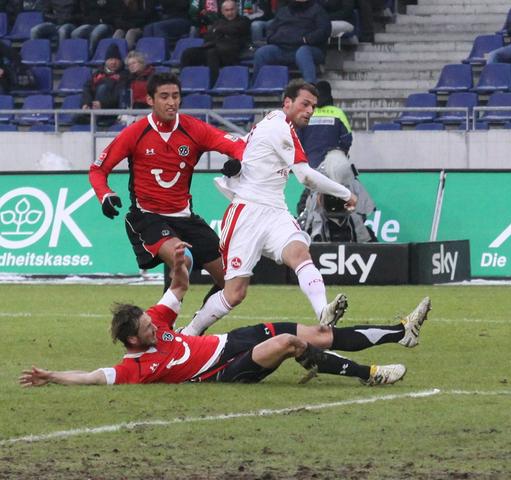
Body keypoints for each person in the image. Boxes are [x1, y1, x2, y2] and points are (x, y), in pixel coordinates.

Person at [18, 242, 427, 388]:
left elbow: (178, 288)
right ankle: (370, 374)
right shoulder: (133, 370)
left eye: (149, 319)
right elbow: (92, 377)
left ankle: (400, 333)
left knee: (319, 334)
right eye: (146, 326)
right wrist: (52, 375)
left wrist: (179, 264)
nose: (154, 325)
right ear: (133, 341)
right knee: (290, 343)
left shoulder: (156, 321)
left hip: (231, 341)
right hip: (226, 369)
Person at [180, 80, 360, 337]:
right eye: (304, 104)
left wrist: (236, 165)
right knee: (235, 293)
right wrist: (345, 193)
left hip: (275, 211)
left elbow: (245, 149)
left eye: (313, 106)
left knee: (300, 254)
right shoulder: (279, 127)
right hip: (248, 213)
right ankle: (189, 333)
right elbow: (305, 177)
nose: (310, 110)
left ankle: (324, 313)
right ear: (287, 102)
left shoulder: (273, 124)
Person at [88, 72, 246, 305]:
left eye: (175, 96)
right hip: (147, 217)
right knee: (183, 260)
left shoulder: (194, 129)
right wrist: (105, 195)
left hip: (185, 218)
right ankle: (163, 331)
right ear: (150, 100)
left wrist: (238, 161)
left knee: (232, 285)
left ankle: (193, 331)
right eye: (164, 96)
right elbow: (98, 170)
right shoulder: (136, 132)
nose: (171, 102)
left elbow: (238, 145)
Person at [252, 0, 331, 84]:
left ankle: (310, 86)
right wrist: (271, 38)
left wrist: (307, 39)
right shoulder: (283, 10)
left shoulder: (318, 10)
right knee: (262, 52)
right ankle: (257, 85)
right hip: (282, 48)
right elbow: (271, 28)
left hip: (308, 49)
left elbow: (324, 30)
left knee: (303, 52)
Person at [180, 0, 251, 81]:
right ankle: (185, 81)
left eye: (232, 9)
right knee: (188, 53)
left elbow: (233, 30)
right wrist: (221, 33)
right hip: (212, 48)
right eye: (227, 10)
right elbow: (208, 37)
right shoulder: (218, 22)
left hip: (229, 54)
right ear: (222, 12)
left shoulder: (244, 21)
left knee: (212, 53)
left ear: (237, 9)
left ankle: (213, 83)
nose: (230, 13)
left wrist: (217, 31)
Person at [297, 81, 352, 169]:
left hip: (310, 165)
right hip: (333, 165)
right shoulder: (338, 113)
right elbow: (347, 139)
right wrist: (341, 153)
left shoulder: (306, 113)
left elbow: (297, 138)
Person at [77, 44, 129, 124]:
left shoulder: (124, 75)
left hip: (111, 109)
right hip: (94, 106)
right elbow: (87, 88)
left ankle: (93, 118)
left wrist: (102, 104)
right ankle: (90, 115)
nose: (113, 62)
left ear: (120, 61)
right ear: (106, 61)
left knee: (103, 88)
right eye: (111, 59)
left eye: (116, 59)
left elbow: (119, 95)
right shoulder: (98, 73)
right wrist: (86, 103)